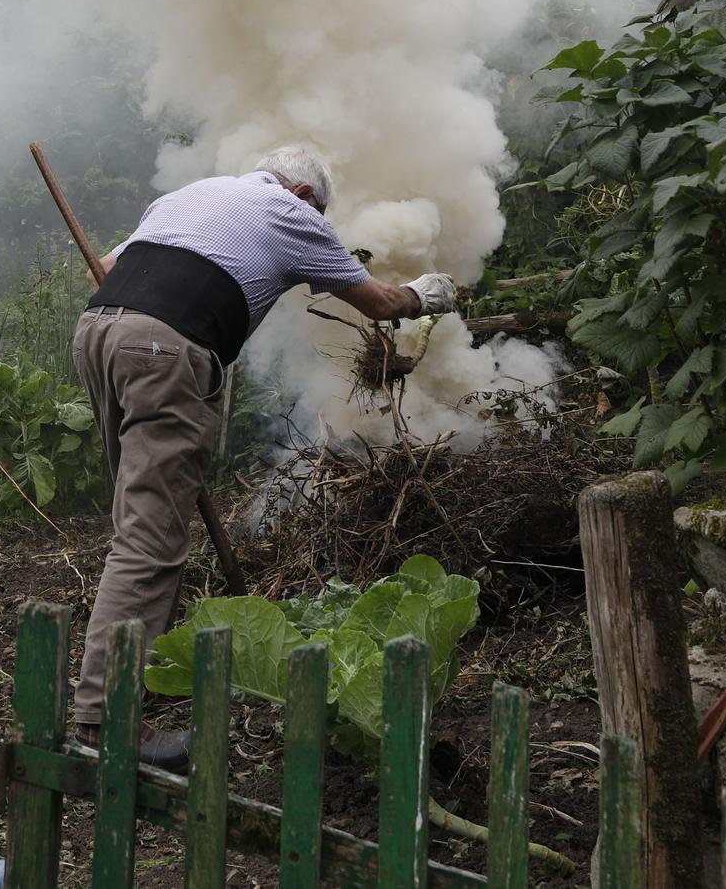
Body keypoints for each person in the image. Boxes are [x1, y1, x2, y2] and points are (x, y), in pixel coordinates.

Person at [69, 145, 457, 768]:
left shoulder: (189, 195)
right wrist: (421, 295)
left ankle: (123, 691)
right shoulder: (292, 212)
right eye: (322, 213)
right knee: (152, 538)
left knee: (138, 525)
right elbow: (380, 304)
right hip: (166, 350)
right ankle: (104, 725)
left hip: (99, 334)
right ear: (307, 197)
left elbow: (108, 265)